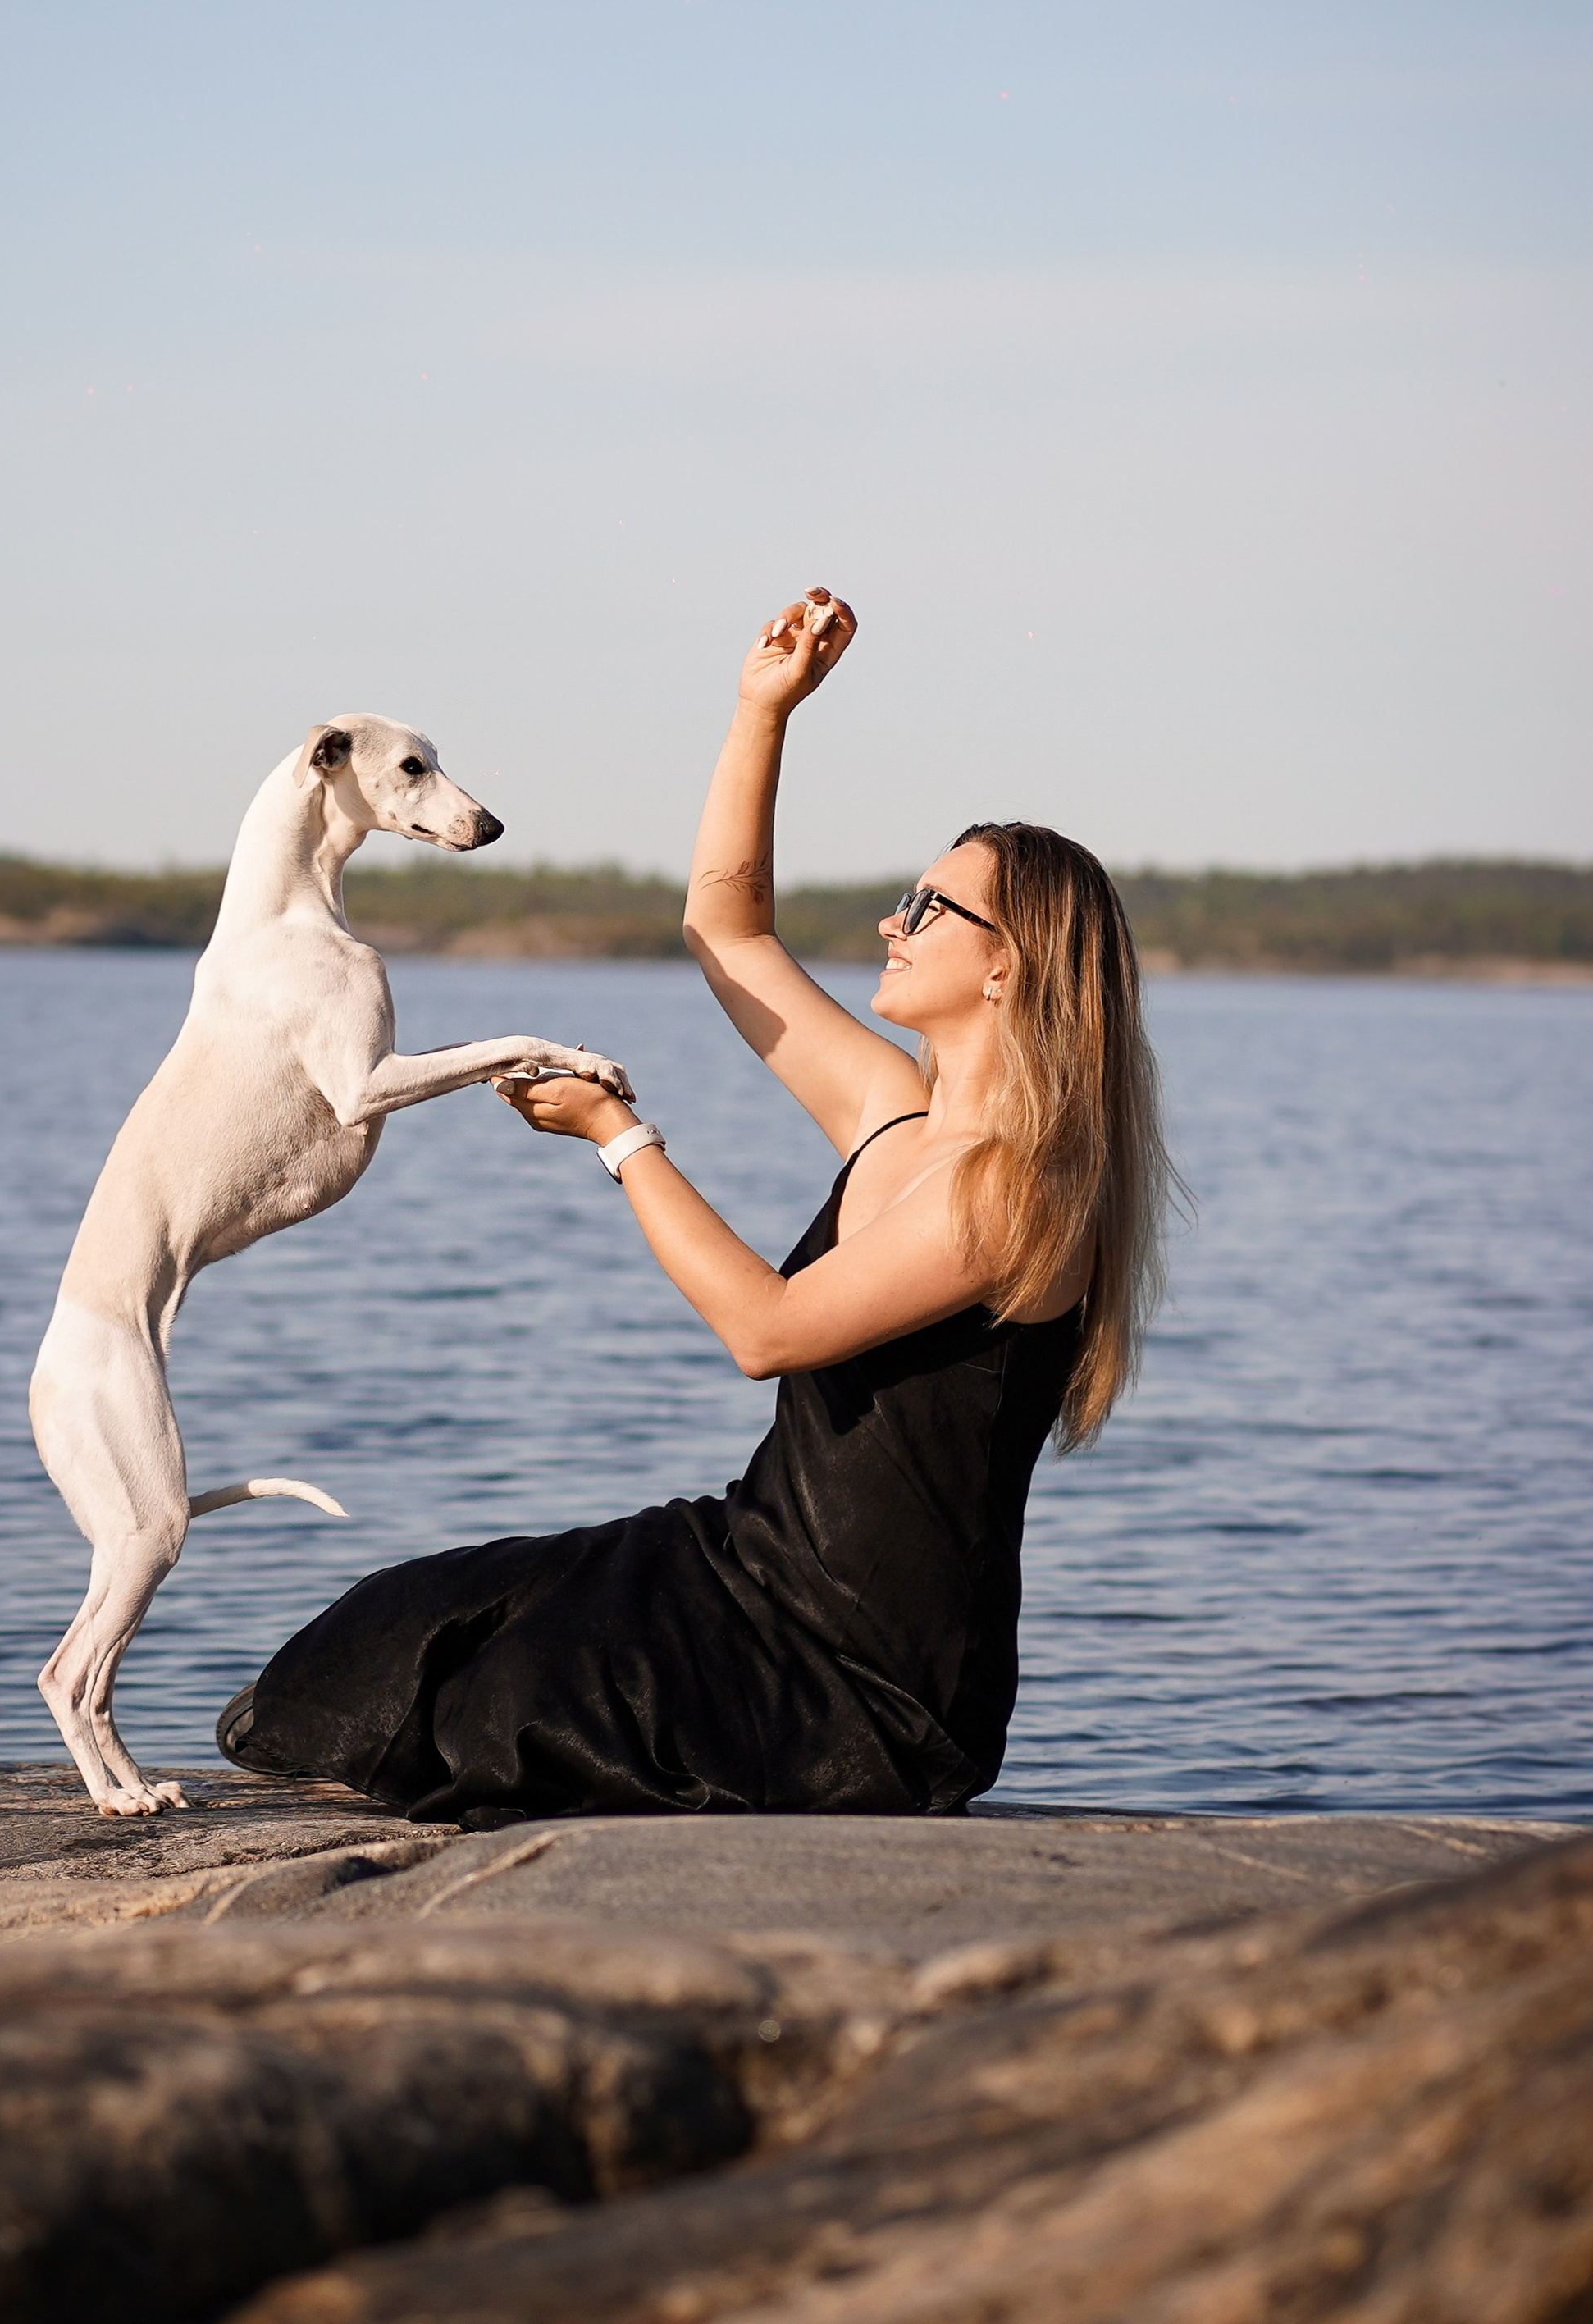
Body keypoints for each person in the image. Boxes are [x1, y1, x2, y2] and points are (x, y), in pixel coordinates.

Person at [221, 592, 1172, 1824]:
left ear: (1010, 962)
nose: (895, 921)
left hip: (865, 1683)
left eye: (931, 908)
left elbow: (765, 1332)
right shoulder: (899, 1114)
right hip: (741, 1570)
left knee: (508, 1713)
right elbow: (727, 926)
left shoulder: (1015, 1189)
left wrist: (620, 1138)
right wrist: (761, 712)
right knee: (398, 1633)